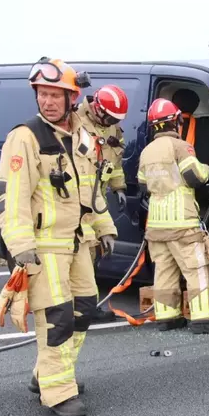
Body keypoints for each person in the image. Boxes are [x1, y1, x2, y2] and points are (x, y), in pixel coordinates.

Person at [0, 57, 117, 416]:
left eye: (54, 95)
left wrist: (105, 227)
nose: (47, 101)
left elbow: (91, 192)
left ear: (71, 97)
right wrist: (21, 248)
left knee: (83, 311)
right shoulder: (26, 138)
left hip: (77, 243)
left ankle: (45, 375)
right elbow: (11, 199)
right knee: (58, 318)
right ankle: (58, 392)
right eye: (42, 94)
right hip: (44, 248)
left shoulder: (82, 137)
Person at [138, 98, 209, 334]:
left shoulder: (147, 151)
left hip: (157, 226)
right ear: (176, 121)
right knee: (196, 269)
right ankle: (204, 319)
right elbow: (195, 177)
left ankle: (167, 318)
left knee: (165, 272)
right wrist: (207, 169)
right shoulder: (180, 147)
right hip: (182, 223)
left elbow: (142, 184)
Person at [74, 84, 130, 323]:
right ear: (97, 107)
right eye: (108, 117)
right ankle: (78, 307)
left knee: (94, 251)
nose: (111, 122)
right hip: (78, 197)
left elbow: (115, 162)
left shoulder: (113, 129)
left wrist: (118, 187)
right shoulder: (75, 121)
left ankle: (87, 305)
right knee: (80, 252)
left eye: (115, 119)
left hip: (99, 196)